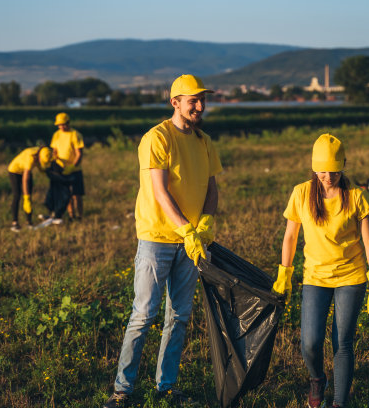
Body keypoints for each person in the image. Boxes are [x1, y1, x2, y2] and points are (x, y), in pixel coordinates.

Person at [104, 74, 222, 408]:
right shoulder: (157, 138)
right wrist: (186, 229)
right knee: (144, 314)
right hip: (158, 238)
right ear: (175, 102)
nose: (199, 106)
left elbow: (212, 188)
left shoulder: (203, 141)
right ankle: (122, 390)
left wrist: (206, 222)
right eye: (192, 100)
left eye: (202, 100)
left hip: (192, 243)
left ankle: (166, 385)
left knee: (180, 316)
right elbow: (158, 190)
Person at [273, 134, 369, 408]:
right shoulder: (301, 193)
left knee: (342, 342)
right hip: (315, 277)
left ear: (343, 166)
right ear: (314, 168)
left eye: (334, 170)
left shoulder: (356, 196)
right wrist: (285, 273)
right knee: (311, 343)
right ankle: (317, 378)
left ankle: (339, 402)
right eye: (322, 170)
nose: (328, 176)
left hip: (351, 276)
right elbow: (290, 237)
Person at [7, 146, 53, 232]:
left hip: (26, 171)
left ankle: (29, 222)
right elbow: (25, 179)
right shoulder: (30, 158)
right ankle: (15, 223)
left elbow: (42, 168)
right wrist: (26, 196)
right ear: (39, 157)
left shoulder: (45, 152)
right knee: (17, 195)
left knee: (29, 195)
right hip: (15, 171)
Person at [50, 112, 85, 221]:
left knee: (76, 195)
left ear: (68, 123)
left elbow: (79, 153)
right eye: (59, 125)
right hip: (61, 170)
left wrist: (73, 166)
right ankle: (71, 215)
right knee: (67, 195)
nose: (61, 127)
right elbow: (54, 151)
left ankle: (79, 217)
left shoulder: (75, 134)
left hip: (74, 170)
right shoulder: (56, 135)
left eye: (63, 124)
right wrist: (54, 162)